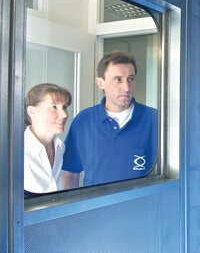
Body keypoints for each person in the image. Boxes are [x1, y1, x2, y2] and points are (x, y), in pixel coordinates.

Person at [62, 51, 158, 188]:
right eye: (118, 79)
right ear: (100, 83)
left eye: (130, 79)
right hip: (96, 207)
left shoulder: (155, 120)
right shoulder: (83, 121)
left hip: (141, 207)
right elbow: (70, 174)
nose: (126, 87)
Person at [24, 83, 72, 193]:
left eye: (64, 107)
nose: (64, 114)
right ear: (32, 112)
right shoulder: (17, 152)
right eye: (54, 107)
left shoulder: (60, 147)